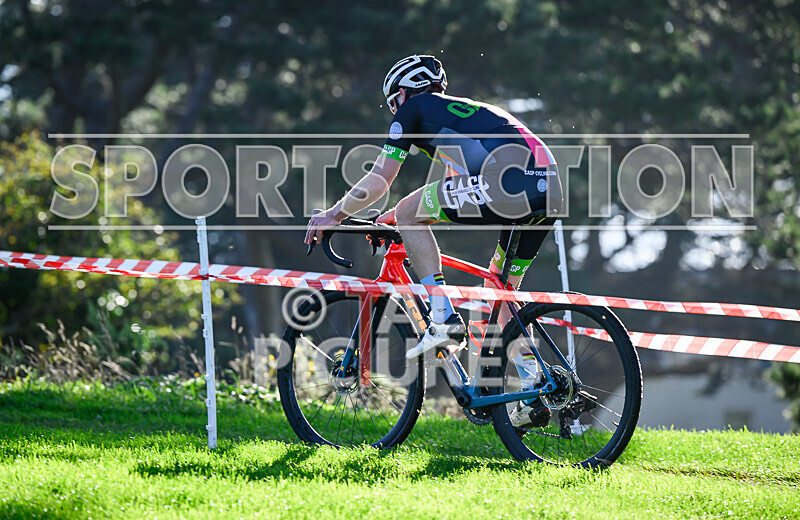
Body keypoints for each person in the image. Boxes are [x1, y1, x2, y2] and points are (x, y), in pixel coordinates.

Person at [304, 55, 562, 426]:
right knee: (502, 290)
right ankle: (537, 382)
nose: (393, 112)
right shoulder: (457, 118)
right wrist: (390, 217)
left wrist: (335, 214)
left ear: (404, 93)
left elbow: (380, 179)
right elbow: (447, 188)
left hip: (507, 181)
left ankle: (442, 318)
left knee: (412, 213)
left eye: (393, 103)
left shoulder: (415, 109)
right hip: (546, 188)